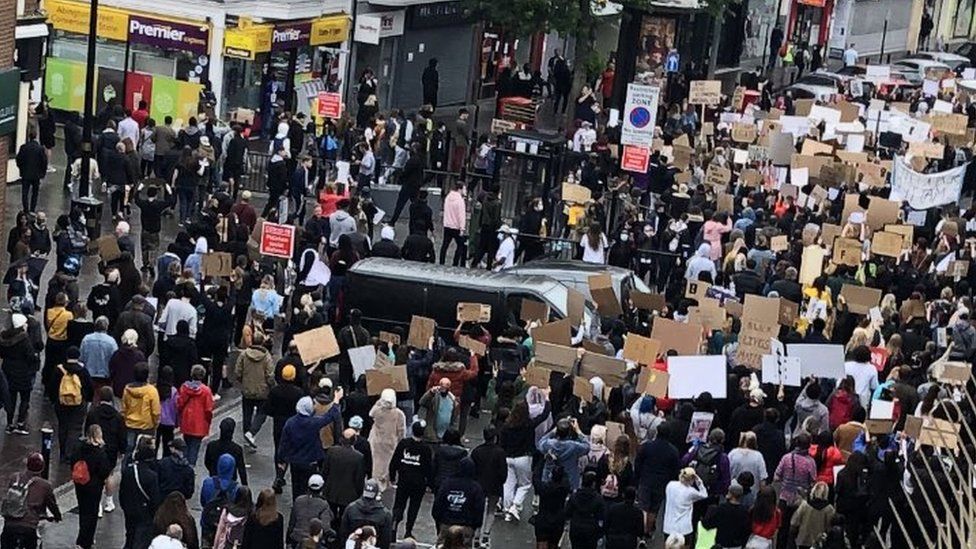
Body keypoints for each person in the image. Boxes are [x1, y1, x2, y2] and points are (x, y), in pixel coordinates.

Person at [278, 393, 345, 499]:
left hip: (295, 462)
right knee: (310, 486)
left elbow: (284, 443)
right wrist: (336, 400)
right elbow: (330, 416)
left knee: (296, 487)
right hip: (310, 461)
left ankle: (297, 505)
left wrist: (281, 460)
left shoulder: (290, 423)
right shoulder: (312, 423)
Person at [0, 452, 61, 549]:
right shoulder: (45, 485)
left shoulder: (14, 478)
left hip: (10, 524)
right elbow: (52, 504)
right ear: (42, 468)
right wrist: (57, 516)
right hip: (29, 527)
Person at [390, 421, 433, 539]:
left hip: (403, 480)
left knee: (398, 505)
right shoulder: (426, 449)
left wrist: (392, 476)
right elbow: (428, 467)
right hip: (418, 483)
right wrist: (430, 483)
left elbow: (395, 460)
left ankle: (394, 527)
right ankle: (408, 531)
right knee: (414, 507)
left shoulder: (404, 444)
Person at [51, 345, 95, 463]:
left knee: (63, 426)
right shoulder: (82, 371)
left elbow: (53, 387)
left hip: (61, 404)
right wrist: (88, 399)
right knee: (75, 428)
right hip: (78, 404)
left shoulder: (59, 369)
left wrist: (53, 400)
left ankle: (62, 453)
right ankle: (70, 454)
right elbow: (90, 387)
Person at [71, 425, 112, 549]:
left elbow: (73, 462)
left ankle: (82, 538)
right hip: (94, 486)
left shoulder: (78, 448)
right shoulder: (99, 452)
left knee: (83, 511)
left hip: (80, 483)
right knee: (92, 513)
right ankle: (85, 541)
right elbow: (104, 470)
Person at [1, 313, 41, 435]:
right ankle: (21, 423)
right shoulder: (24, 339)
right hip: (23, 372)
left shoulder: (4, 338)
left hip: (8, 371)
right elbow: (30, 356)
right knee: (24, 399)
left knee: (11, 398)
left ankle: (9, 423)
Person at [431, 457, 484, 546]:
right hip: (466, 527)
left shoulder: (447, 483)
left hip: (446, 524)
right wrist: (474, 526)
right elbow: (479, 508)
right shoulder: (475, 487)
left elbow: (438, 504)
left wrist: (440, 522)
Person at [235, 330, 275, 448]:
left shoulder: (244, 354)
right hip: (262, 391)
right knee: (262, 413)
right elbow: (270, 375)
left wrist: (242, 381)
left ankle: (247, 435)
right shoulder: (267, 356)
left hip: (247, 389)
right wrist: (271, 386)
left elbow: (237, 372)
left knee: (247, 414)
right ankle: (251, 433)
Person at [120, 438, 161, 549]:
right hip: (144, 512)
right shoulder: (151, 476)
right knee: (141, 540)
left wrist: (124, 506)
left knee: (130, 535)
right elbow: (155, 499)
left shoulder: (128, 471)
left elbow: (122, 492)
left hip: (129, 509)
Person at [470, 425, 506, 544]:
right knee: (491, 510)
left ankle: (476, 535)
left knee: (478, 510)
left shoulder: (477, 451)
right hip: (494, 485)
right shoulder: (500, 452)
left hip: (479, 485)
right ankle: (486, 535)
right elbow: (503, 472)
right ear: (495, 437)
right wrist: (501, 481)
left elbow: (472, 468)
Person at [322, 428, 366, 523]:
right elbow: (359, 479)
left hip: (331, 491)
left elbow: (325, 471)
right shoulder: (358, 457)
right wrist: (359, 494)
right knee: (344, 519)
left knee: (330, 516)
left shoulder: (331, 451)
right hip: (348, 495)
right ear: (354, 440)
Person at [368, 389, 406, 492]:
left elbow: (370, 413)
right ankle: (383, 484)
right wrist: (401, 442)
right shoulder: (399, 414)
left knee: (376, 463)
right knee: (387, 464)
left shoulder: (377, 411)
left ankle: (375, 485)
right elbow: (401, 430)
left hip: (377, 441)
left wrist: (378, 402)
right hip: (391, 442)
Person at [339, 479, 393, 549]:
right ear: (376, 494)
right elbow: (386, 540)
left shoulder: (350, 508)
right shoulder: (385, 514)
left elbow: (343, 533)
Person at [662, 467, 708, 542]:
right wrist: (699, 482)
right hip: (684, 528)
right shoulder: (691, 492)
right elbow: (704, 495)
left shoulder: (670, 485)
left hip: (669, 527)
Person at [121, 362, 161, 450]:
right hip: (147, 426)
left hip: (130, 424)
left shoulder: (127, 389)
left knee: (129, 450)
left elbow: (124, 408)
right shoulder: (152, 391)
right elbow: (155, 411)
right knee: (146, 452)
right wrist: (155, 423)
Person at [287, 475, 334, 547]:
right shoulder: (323, 504)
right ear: (322, 488)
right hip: (313, 541)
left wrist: (288, 539)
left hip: (296, 538)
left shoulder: (298, 500)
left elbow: (292, 522)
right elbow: (325, 526)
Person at [701, 483, 751, 549]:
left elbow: (709, 524)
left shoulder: (721, 508)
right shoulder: (744, 511)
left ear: (730, 494)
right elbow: (746, 531)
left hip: (722, 544)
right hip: (737, 545)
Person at [565, 470, 604, 549]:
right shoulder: (598, 498)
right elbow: (601, 516)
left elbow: (567, 513)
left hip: (576, 528)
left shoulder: (574, 496)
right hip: (591, 530)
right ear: (593, 483)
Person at [204, 418, 249, 486]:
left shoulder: (211, 446)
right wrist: (245, 485)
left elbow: (207, 462)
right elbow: (241, 470)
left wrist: (212, 471)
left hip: (214, 480)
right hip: (231, 482)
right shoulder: (237, 449)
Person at [16, 130, 48, 213]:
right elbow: (44, 162)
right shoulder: (40, 149)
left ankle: (25, 209)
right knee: (35, 193)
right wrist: (42, 173)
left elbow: (19, 159)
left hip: (26, 174)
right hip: (36, 175)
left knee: (25, 192)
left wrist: (21, 169)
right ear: (36, 137)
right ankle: (32, 209)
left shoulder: (24, 147)